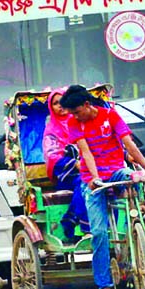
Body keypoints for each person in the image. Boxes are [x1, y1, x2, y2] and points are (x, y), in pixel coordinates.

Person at [59, 85, 145, 289]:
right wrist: (94, 178)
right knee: (99, 232)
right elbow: (85, 152)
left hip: (115, 171)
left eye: (76, 111)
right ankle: (104, 285)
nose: (74, 116)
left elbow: (129, 145)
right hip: (91, 180)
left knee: (133, 177)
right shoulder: (74, 123)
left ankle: (138, 222)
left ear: (87, 105)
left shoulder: (110, 116)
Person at [42, 88, 90, 241]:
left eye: (63, 102)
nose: (60, 106)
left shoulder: (81, 122)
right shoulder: (51, 131)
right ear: (52, 107)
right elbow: (52, 157)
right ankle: (79, 224)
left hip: (91, 169)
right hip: (67, 176)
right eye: (56, 103)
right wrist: (75, 164)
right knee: (85, 182)